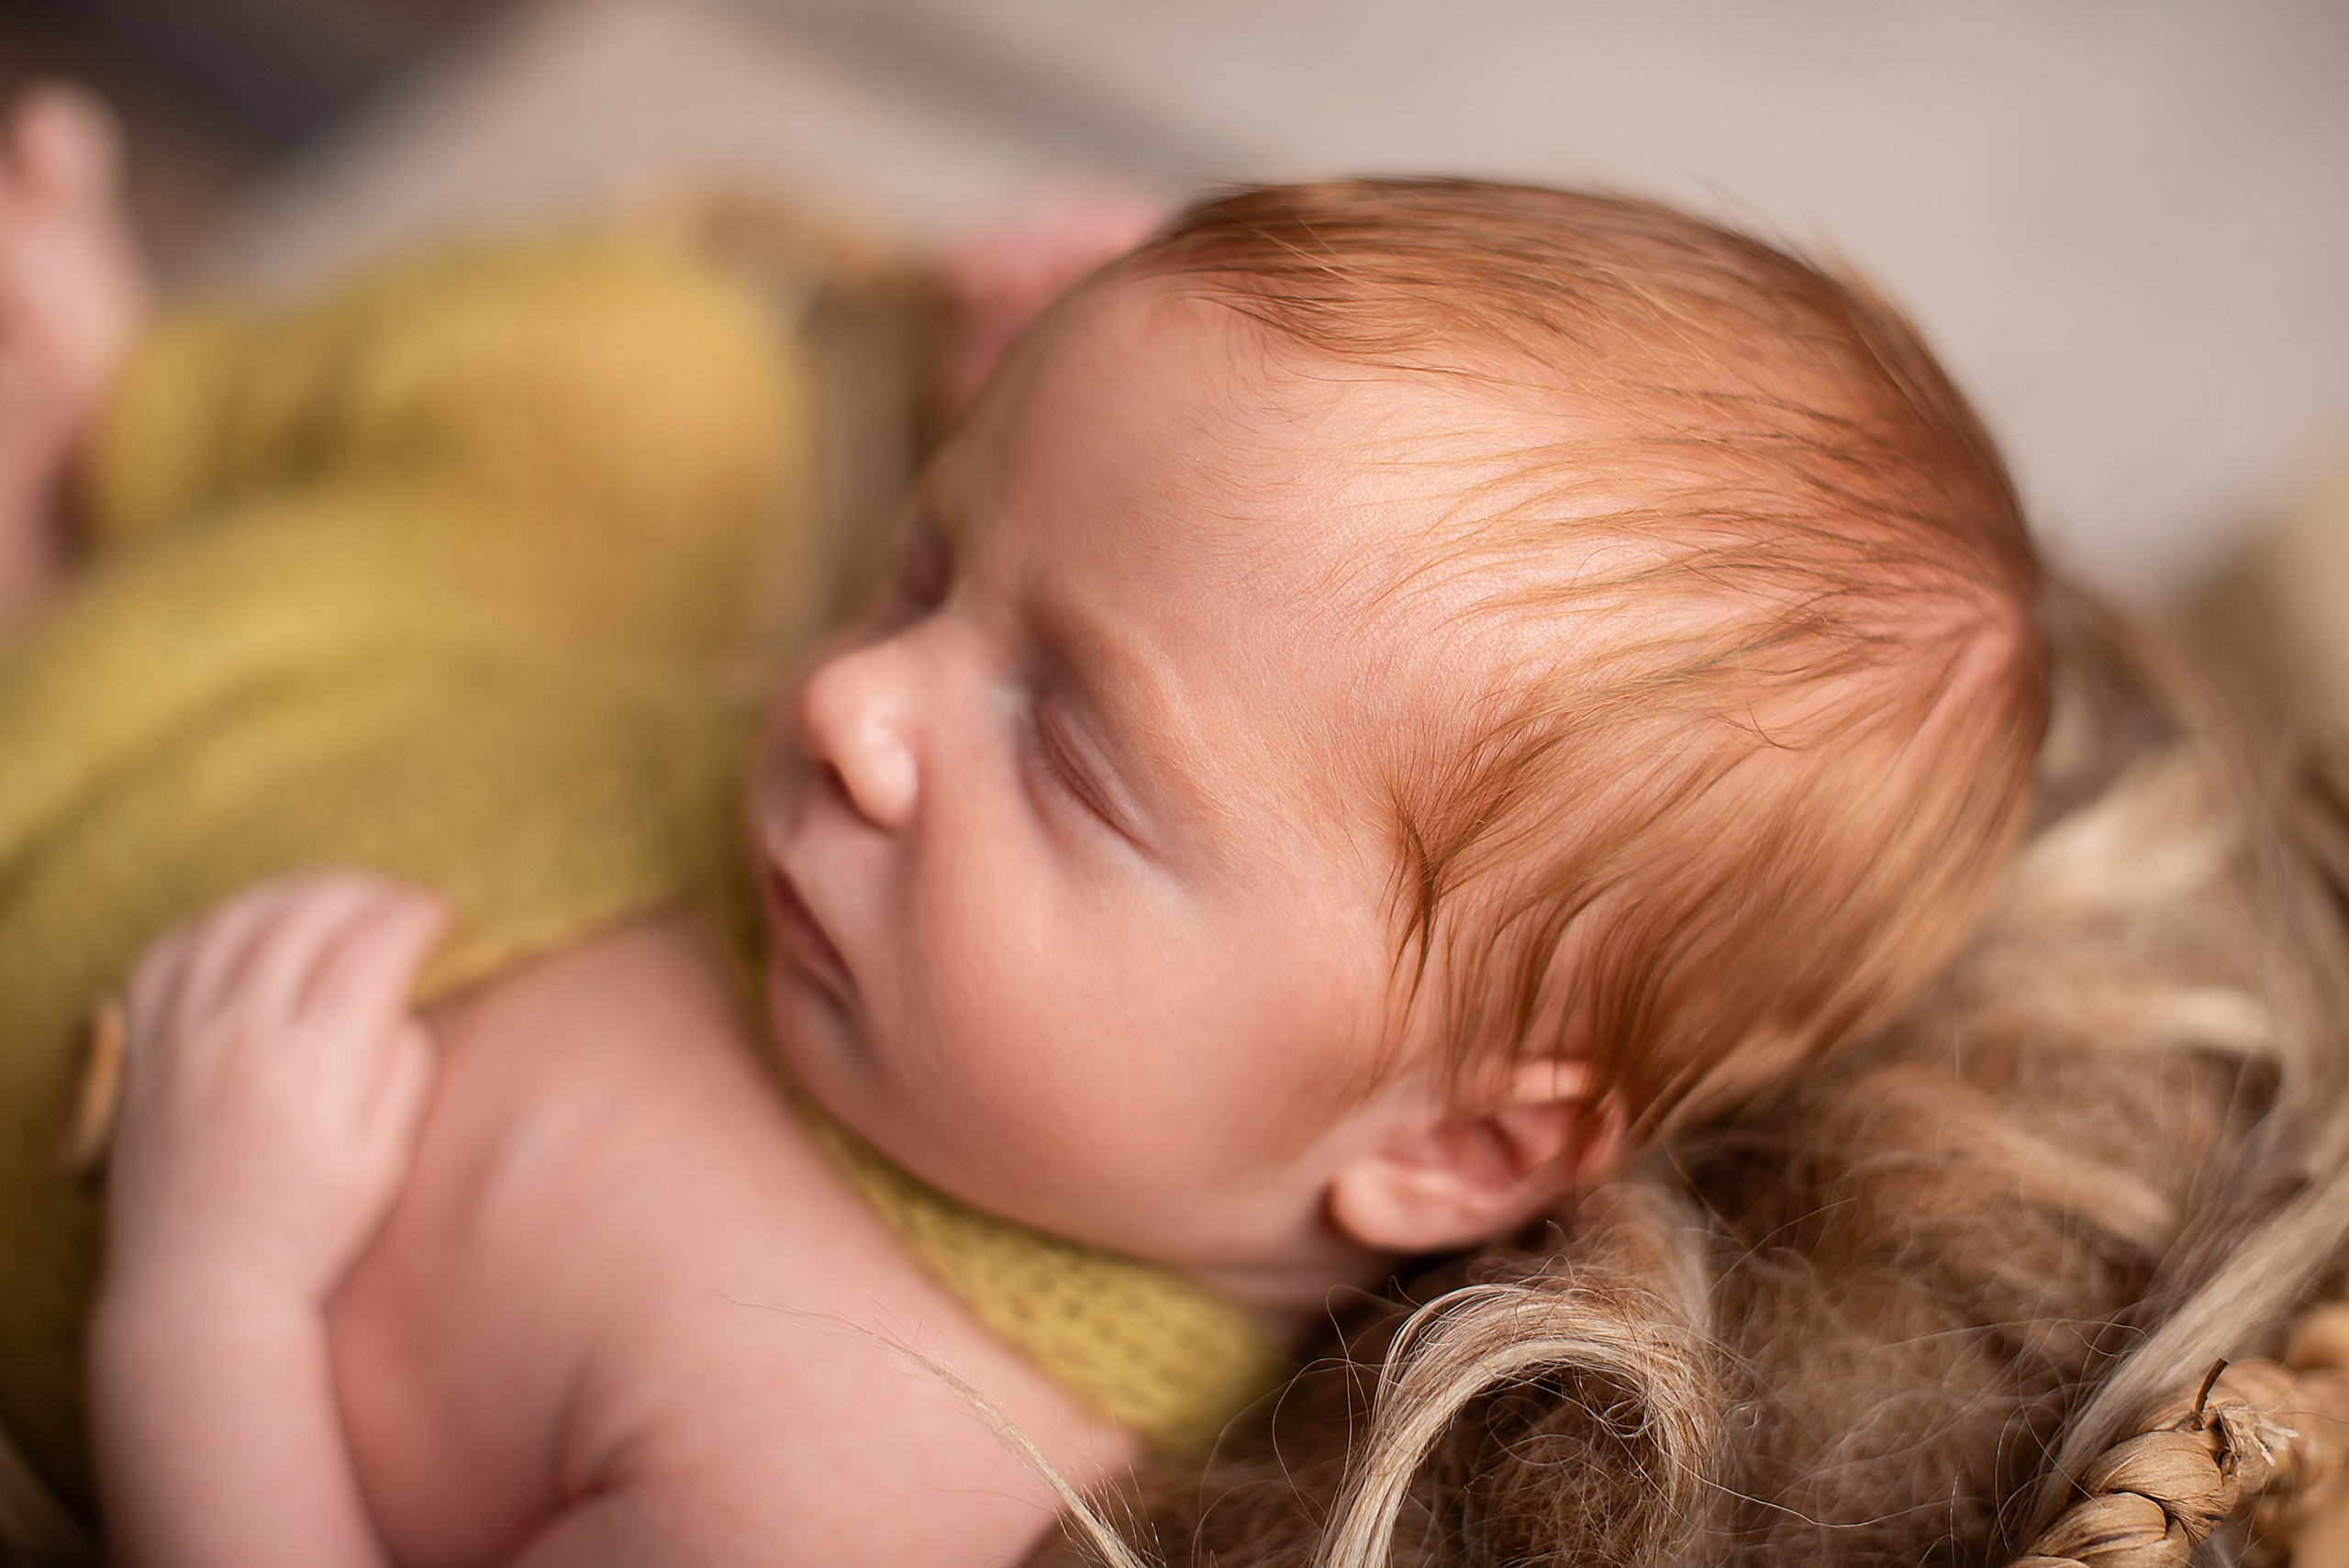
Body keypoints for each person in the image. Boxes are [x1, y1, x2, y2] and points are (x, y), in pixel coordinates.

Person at [0, 81, 2046, 1568]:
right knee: (644, 379)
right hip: (389, 675)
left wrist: (212, 1284)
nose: (849, 703)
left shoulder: (875, 1465)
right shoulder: (1022, 875)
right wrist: (1048, 406)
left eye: (1065, 754)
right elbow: (1161, 591)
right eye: (918, 565)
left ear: (1447, 1148)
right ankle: (143, 428)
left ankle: (60, 545)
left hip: (64, 961)